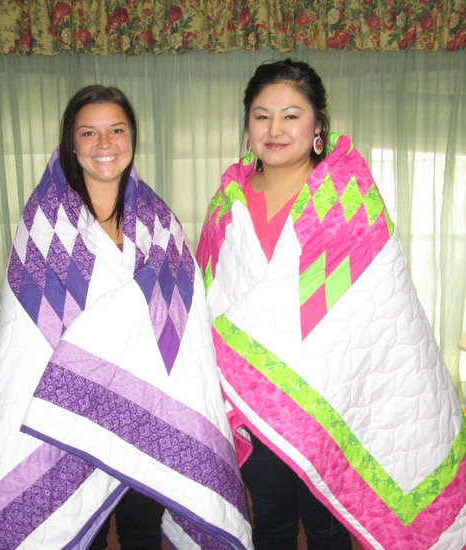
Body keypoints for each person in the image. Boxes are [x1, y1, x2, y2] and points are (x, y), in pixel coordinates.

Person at [0, 85, 252, 550]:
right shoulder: (45, 222)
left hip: (148, 415)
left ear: (132, 138)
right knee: (87, 537)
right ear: (71, 142)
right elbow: (29, 328)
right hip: (68, 417)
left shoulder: (159, 222)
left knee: (141, 531)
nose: (104, 144)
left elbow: (183, 322)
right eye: (89, 132)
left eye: (116, 130)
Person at [196, 60, 466, 550]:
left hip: (330, 395)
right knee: (272, 522)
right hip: (252, 406)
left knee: (326, 529)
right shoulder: (227, 200)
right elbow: (210, 295)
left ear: (318, 124)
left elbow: (377, 299)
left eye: (291, 115)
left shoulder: (346, 196)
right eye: (262, 116)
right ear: (247, 125)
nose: (275, 129)